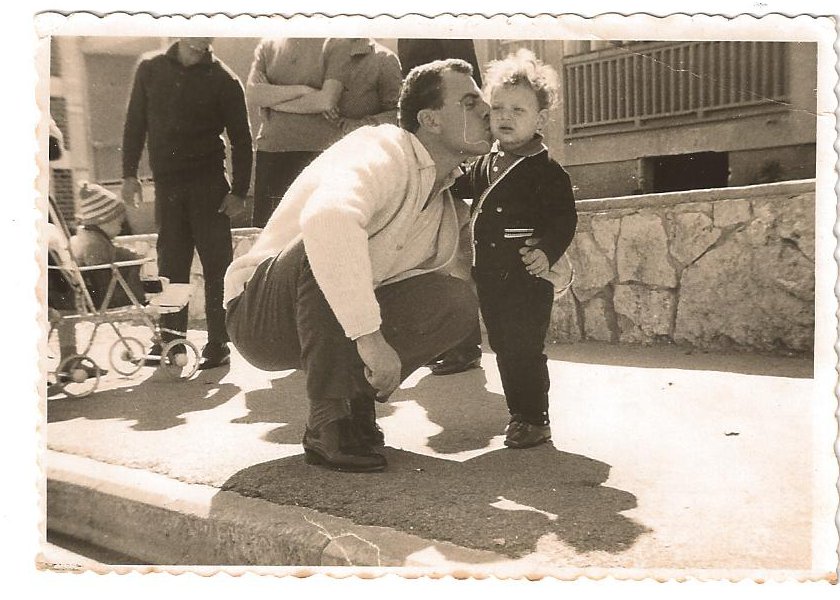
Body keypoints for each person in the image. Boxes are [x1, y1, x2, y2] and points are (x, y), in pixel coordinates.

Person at [224, 59, 492, 472]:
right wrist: (370, 341)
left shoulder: (445, 190)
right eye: (470, 103)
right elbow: (327, 220)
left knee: (453, 301)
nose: (487, 110)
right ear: (430, 120)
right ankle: (326, 419)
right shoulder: (381, 149)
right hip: (261, 316)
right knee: (328, 242)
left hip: (319, 319)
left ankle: (356, 406)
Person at [459, 49, 577, 449]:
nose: (505, 117)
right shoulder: (486, 163)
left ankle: (535, 418)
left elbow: (563, 219)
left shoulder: (546, 171)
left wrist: (547, 251)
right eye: (498, 108)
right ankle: (519, 415)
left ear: (540, 120)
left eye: (518, 110)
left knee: (525, 347)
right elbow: (463, 186)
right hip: (491, 276)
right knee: (504, 347)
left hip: (527, 276)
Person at [121, 37, 253, 370]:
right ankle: (172, 341)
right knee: (171, 265)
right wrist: (128, 175)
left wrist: (239, 191)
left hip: (210, 188)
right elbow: (135, 124)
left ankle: (219, 343)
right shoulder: (150, 69)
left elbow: (241, 139)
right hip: (168, 187)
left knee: (217, 267)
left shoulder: (225, 79)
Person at [398, 38, 484, 376]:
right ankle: (453, 344)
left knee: (454, 252)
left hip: (445, 145)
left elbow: (465, 85)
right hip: (432, 140)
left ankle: (463, 345)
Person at [246, 38, 345, 228]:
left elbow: (326, 101)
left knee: (316, 229)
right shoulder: (269, 44)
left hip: (318, 151)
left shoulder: (334, 44)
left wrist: (274, 101)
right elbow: (253, 95)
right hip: (272, 151)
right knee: (268, 231)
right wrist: (304, 90)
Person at [321, 38, 402, 137]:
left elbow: (398, 114)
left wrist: (360, 125)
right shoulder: (322, 51)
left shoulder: (383, 60)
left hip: (361, 140)